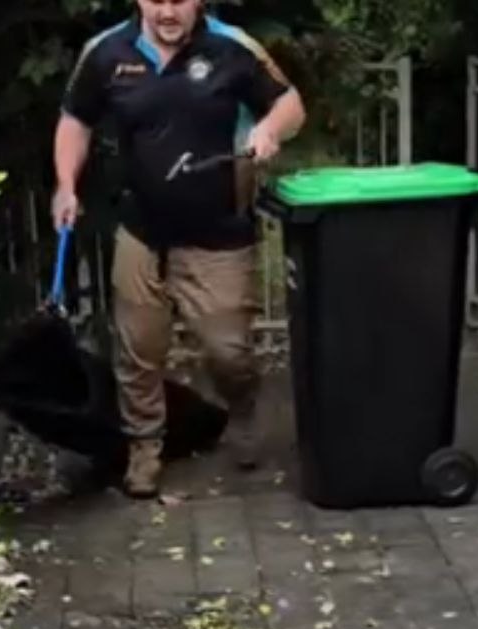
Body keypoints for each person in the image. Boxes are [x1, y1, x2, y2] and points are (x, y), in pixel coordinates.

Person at [51, 0, 305, 501]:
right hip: (142, 231)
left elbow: (291, 103)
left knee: (228, 351)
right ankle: (144, 448)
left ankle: (243, 406)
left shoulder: (233, 49)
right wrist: (66, 184)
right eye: (155, 0)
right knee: (138, 349)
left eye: (179, 1)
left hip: (219, 233)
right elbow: (74, 121)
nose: (167, 11)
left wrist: (269, 129)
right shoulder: (105, 54)